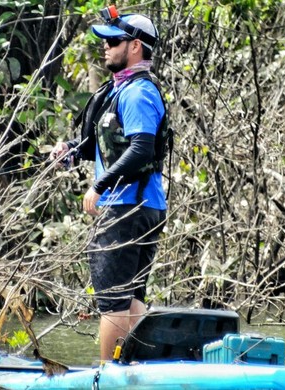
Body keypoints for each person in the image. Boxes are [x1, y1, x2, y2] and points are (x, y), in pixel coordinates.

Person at [50, 9, 167, 360]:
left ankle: (107, 375)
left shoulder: (137, 93)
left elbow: (141, 149)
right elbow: (101, 145)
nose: (105, 47)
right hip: (137, 208)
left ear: (135, 47)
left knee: (113, 299)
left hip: (127, 209)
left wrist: (98, 185)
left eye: (113, 42)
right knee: (130, 299)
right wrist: (70, 151)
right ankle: (141, 372)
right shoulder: (120, 91)